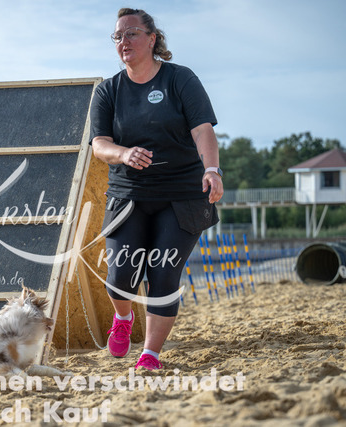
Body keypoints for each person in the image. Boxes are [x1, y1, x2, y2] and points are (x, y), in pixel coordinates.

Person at [89, 7, 224, 371]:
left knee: (163, 274)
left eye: (131, 33)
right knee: (121, 275)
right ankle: (123, 318)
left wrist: (212, 170)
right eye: (118, 36)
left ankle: (150, 354)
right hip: (128, 194)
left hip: (181, 194)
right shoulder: (108, 91)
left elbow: (203, 130)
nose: (124, 41)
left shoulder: (181, 80)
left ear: (152, 38)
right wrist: (124, 153)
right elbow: (99, 145)